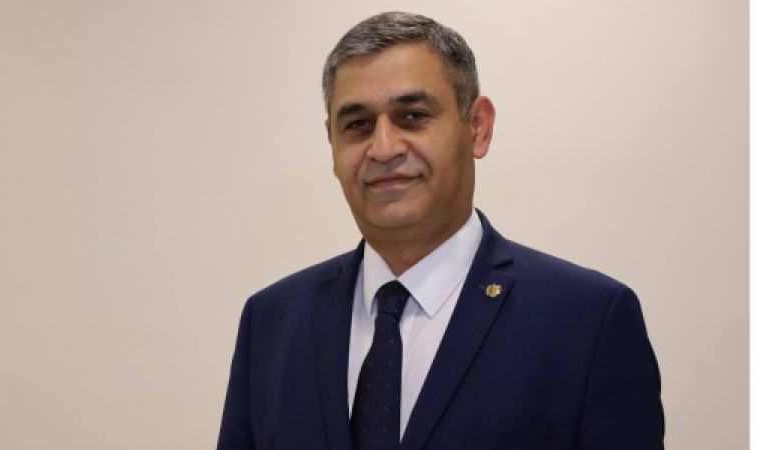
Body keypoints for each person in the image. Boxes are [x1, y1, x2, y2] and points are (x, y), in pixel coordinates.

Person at [217, 11, 665, 450]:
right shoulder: (271, 323)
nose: (383, 148)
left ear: (478, 128)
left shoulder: (589, 322)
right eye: (358, 125)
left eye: (413, 116)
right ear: (332, 143)